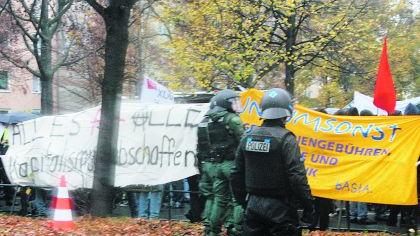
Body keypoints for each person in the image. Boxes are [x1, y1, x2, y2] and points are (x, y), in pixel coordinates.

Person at [231, 88, 313, 236]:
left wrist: (243, 202)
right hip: (281, 208)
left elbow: (236, 173)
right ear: (287, 112)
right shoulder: (287, 139)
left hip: (253, 205)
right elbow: (297, 177)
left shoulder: (247, 136)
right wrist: (308, 206)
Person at [197, 89, 245, 236]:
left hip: (212, 165)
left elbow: (201, 146)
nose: (236, 105)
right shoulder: (232, 119)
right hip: (231, 164)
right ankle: (237, 229)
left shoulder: (205, 121)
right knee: (239, 199)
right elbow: (244, 141)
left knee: (218, 199)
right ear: (226, 104)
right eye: (233, 102)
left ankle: (212, 230)